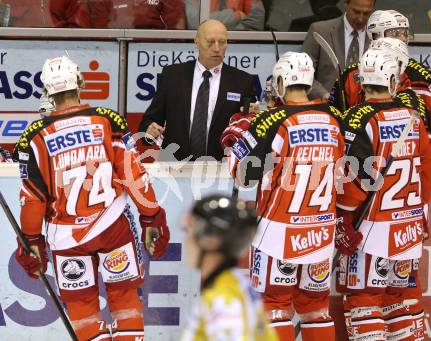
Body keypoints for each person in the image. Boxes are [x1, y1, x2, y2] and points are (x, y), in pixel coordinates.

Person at [13, 55, 170, 341]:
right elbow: (131, 173)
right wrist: (151, 215)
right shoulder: (106, 119)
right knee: (124, 298)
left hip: (66, 238)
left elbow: (33, 197)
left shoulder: (34, 136)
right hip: (112, 227)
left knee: (82, 308)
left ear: (48, 92)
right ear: (80, 83)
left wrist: (31, 241)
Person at [221, 51, 345, 340]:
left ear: (279, 83)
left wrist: (240, 134)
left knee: (274, 306)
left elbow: (242, 173)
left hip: (279, 231)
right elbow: (343, 175)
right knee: (315, 308)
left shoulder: (272, 121)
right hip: (320, 230)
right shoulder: (332, 120)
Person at [335, 47, 431, 341]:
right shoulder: (414, 117)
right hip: (406, 228)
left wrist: (343, 219)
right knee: (397, 299)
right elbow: (426, 173)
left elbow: (352, 178)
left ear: (361, 82)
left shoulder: (357, 118)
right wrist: (418, 214)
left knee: (364, 300)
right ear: (393, 82)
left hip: (371, 231)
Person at [329, 10, 431, 164]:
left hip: (410, 160)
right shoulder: (350, 74)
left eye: (404, 33)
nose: (402, 38)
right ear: (375, 36)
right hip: (361, 160)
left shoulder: (421, 75)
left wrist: (425, 147)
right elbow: (335, 120)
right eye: (395, 33)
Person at [138, 19, 256, 161]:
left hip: (220, 169)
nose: (217, 48)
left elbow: (251, 134)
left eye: (222, 42)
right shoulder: (172, 76)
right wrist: (150, 132)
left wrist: (254, 117)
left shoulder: (242, 81)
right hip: (174, 168)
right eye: (210, 42)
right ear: (197, 42)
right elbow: (149, 121)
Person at [180, 194, 278, 340]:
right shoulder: (239, 283)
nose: (186, 240)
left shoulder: (222, 300)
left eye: (191, 232)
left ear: (211, 240)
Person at [302, 0, 375, 100]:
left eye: (366, 13)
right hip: (327, 108)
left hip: (366, 109)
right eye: (356, 12)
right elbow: (303, 73)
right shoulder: (320, 31)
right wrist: (325, 96)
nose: (360, 19)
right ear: (345, 3)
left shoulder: (377, 36)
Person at [185, 0, 265, 31]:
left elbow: (254, 24)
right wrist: (236, 15)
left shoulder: (250, 2)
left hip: (242, 54)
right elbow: (193, 21)